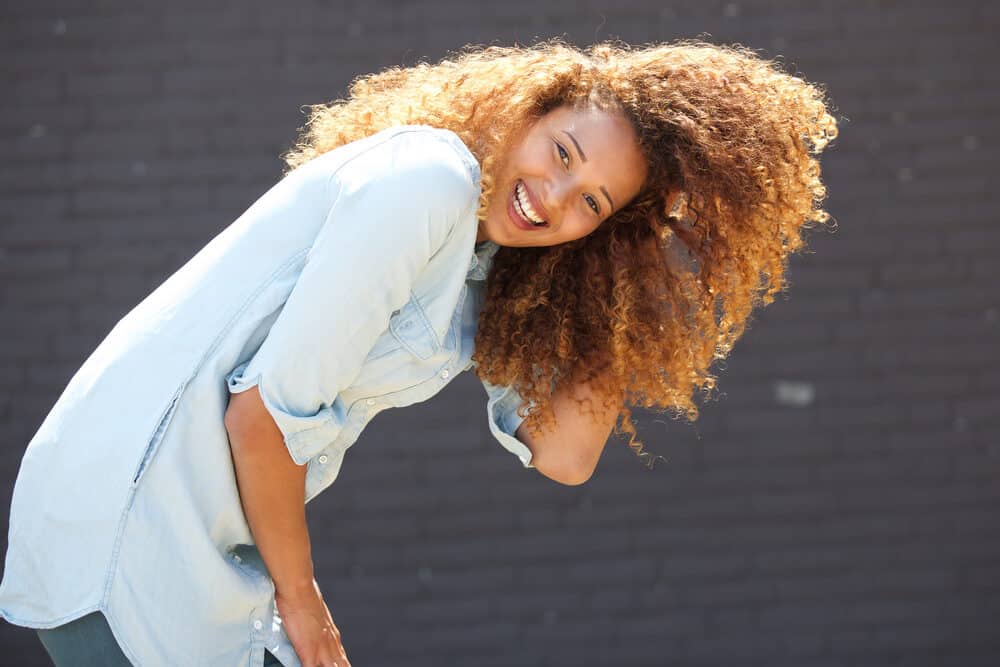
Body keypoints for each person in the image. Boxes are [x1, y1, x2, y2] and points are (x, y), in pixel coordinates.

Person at [0, 38, 837, 666]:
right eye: (561, 152)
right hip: (126, 529)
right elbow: (262, 418)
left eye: (591, 202)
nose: (551, 198)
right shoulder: (425, 179)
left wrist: (627, 251)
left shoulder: (487, 277)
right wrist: (304, 603)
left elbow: (567, 452)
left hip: (210, 551)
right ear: (527, 109)